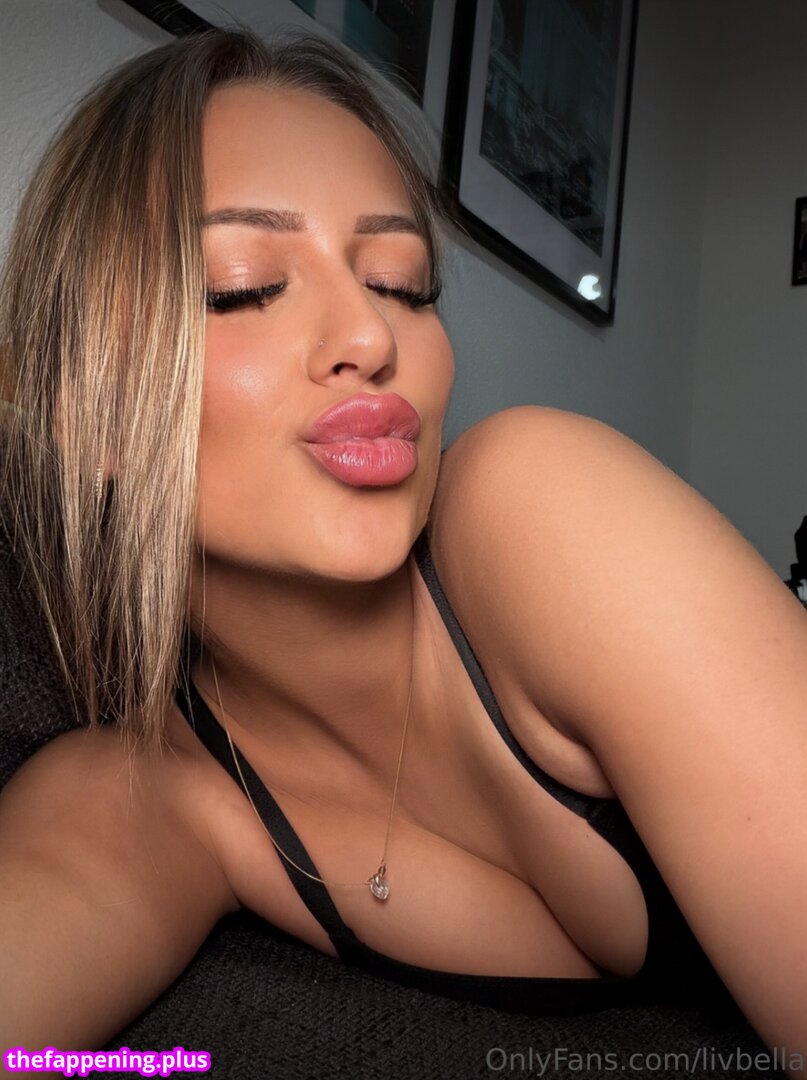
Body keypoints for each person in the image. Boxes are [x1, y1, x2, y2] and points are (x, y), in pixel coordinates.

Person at [1, 26, 806, 1076]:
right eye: (243, 284)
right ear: (85, 417)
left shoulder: (539, 509)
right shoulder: (149, 796)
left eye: (401, 282)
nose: (371, 338)